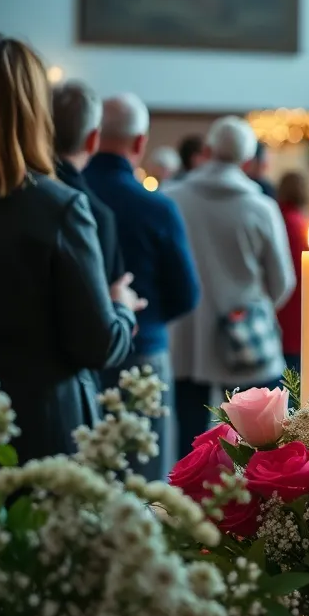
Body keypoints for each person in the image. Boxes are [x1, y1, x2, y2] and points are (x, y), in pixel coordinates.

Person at [0, 34, 141, 489]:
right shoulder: (58, 208)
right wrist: (120, 306)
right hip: (36, 442)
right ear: (33, 113)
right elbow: (97, 344)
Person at [85, 93, 200, 477]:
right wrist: (146, 316)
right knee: (143, 476)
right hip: (142, 353)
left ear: (94, 136)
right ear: (139, 143)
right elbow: (187, 293)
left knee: (83, 473)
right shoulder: (157, 206)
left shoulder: (67, 195)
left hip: (76, 355)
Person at [167, 116, 296, 456]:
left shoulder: (172, 198)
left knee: (189, 443)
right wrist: (254, 309)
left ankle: (189, 507)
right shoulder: (261, 207)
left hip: (186, 335)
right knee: (259, 443)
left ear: (207, 150)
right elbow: (283, 281)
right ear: (248, 160)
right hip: (244, 334)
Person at [51, 80, 125, 286]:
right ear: (93, 140)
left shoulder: (12, 188)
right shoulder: (96, 215)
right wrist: (122, 305)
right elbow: (99, 313)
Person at [275, 171, 309, 382]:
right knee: (296, 374)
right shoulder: (298, 223)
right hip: (299, 305)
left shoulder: (278, 217)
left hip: (283, 304)